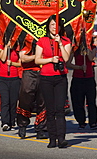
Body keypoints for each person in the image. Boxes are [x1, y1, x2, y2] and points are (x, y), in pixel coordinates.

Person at [35, 15, 72, 148]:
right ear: (48, 26)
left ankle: (61, 138)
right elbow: (37, 60)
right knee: (50, 110)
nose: (54, 27)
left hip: (60, 78)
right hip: (46, 77)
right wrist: (50, 60)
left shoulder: (66, 41)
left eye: (56, 25)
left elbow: (67, 58)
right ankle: (52, 138)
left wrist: (60, 44)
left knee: (60, 109)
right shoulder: (42, 41)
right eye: (51, 25)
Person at [66, 37, 97, 130]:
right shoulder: (75, 49)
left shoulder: (93, 48)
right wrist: (79, 67)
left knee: (91, 101)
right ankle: (81, 122)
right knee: (78, 101)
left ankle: (93, 122)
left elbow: (90, 57)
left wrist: (87, 47)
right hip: (78, 78)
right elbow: (68, 64)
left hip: (89, 78)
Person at [17, 44, 47, 139]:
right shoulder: (27, 40)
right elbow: (23, 58)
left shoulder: (47, 41)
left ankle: (40, 128)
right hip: (29, 72)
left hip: (45, 72)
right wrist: (37, 56)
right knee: (25, 98)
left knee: (43, 101)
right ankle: (22, 124)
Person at [0, 39, 21, 131]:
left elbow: (20, 63)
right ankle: (5, 122)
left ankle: (11, 122)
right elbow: (2, 58)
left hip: (14, 78)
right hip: (2, 79)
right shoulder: (1, 47)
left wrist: (12, 63)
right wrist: (7, 47)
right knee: (5, 100)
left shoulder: (17, 49)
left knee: (13, 101)